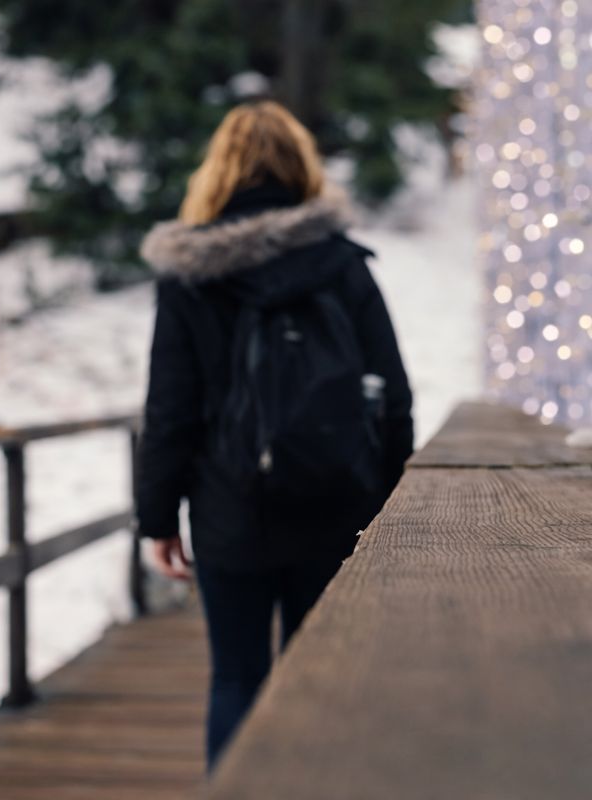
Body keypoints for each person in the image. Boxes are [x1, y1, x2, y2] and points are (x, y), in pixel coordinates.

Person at [136, 100, 413, 769]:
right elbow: (394, 395)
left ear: (219, 171)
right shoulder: (342, 264)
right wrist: (386, 501)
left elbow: (171, 410)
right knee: (321, 677)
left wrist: (157, 518)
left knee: (235, 676)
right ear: (300, 168)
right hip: (335, 501)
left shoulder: (192, 276)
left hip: (230, 507)